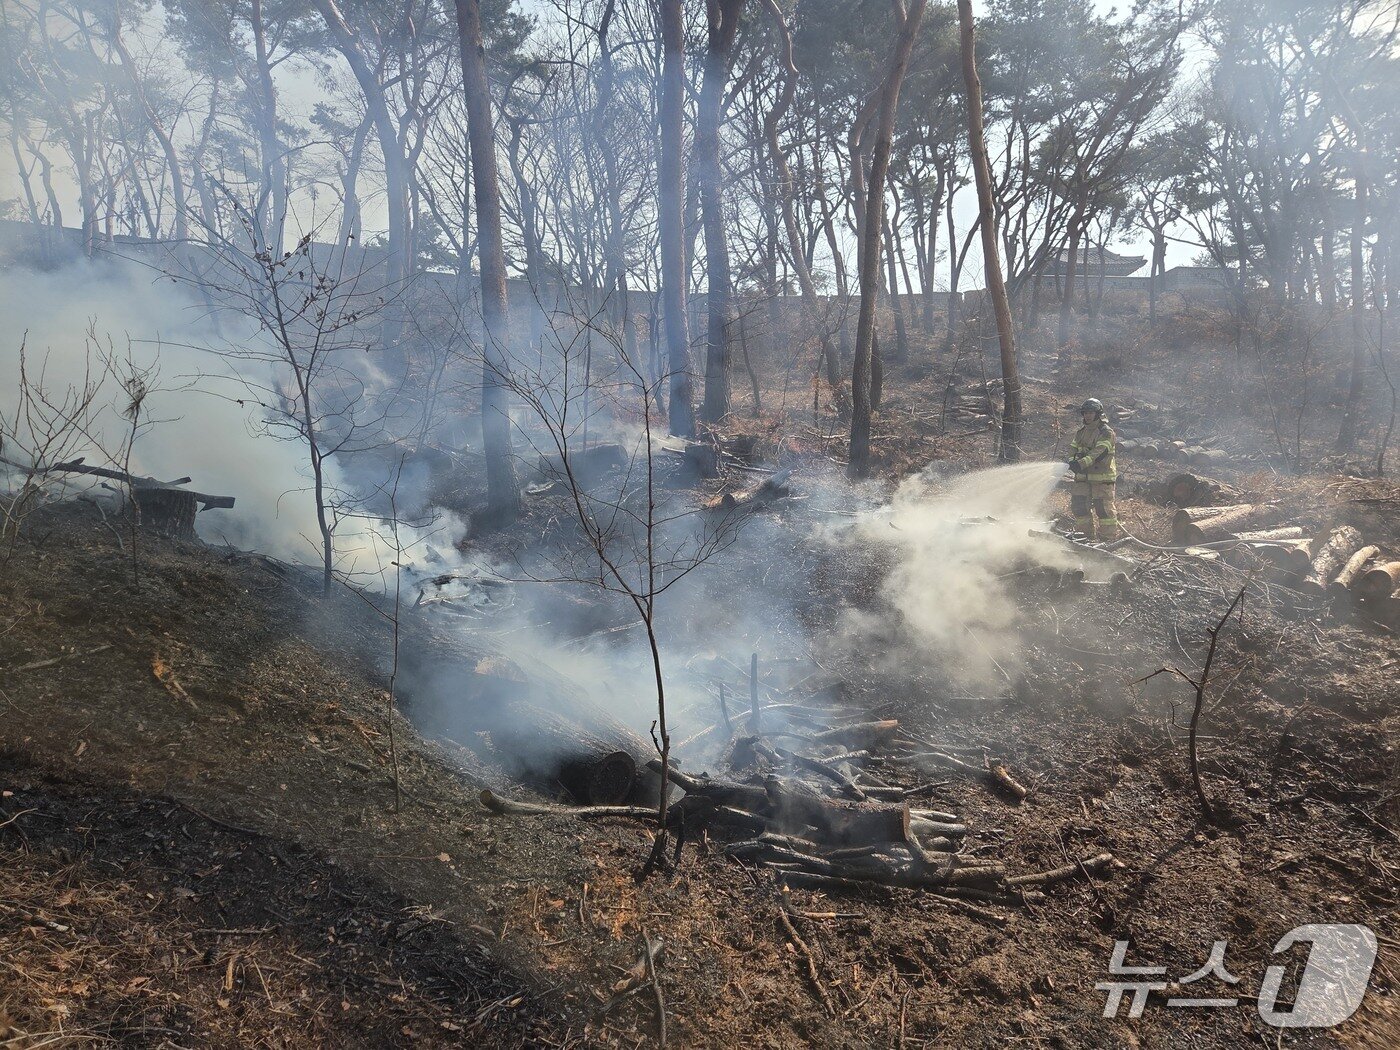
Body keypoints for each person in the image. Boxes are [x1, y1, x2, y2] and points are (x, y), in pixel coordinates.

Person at [1067, 397, 1119, 541]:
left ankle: (1108, 541)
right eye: (1085, 413)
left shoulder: (1106, 432)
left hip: (1102, 479)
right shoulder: (1081, 432)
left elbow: (1099, 452)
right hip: (1082, 478)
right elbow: (1072, 449)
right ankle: (1084, 539)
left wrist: (1081, 463)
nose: (1087, 415)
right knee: (1079, 507)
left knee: (1104, 511)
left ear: (1098, 414)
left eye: (1091, 413)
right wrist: (1072, 462)